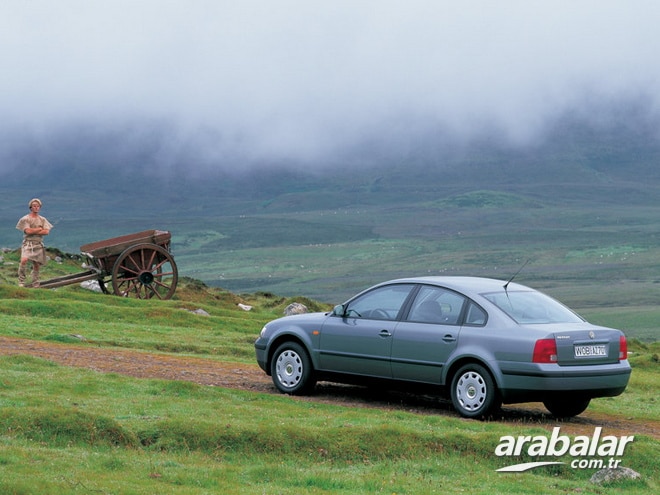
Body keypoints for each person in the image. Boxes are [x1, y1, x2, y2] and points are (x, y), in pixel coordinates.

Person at [16, 198, 53, 287]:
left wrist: (34, 231)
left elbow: (46, 232)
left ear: (40, 207)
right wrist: (39, 229)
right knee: (24, 260)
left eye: (38, 206)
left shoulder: (42, 219)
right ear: (31, 207)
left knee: (36, 264)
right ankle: (21, 281)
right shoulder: (25, 219)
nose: (36, 208)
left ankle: (35, 282)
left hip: (38, 244)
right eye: (34, 206)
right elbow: (27, 231)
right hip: (28, 243)